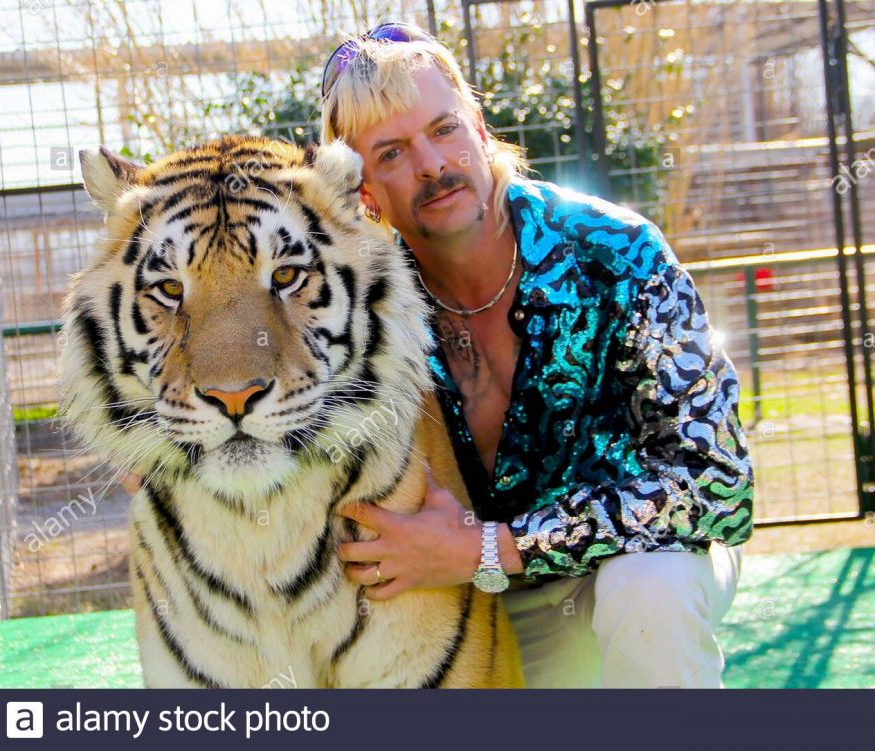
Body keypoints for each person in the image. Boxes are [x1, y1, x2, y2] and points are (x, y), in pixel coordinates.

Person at [316, 22, 754, 689]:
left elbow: (717, 480)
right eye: (394, 152)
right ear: (364, 191)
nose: (432, 164)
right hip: (479, 599)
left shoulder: (617, 252)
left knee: (649, 591)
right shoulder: (361, 312)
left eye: (444, 129)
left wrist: (488, 547)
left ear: (480, 128)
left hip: (633, 562)